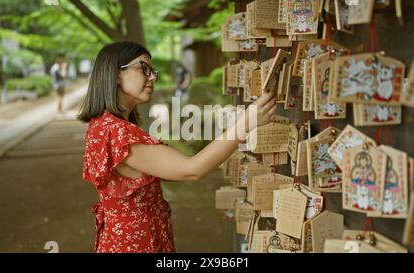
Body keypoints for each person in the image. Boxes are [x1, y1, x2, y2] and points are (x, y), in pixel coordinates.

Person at [77, 41, 277, 253]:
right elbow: (191, 170)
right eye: (143, 68)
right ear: (116, 74)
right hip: (135, 245)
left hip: (127, 239)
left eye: (152, 70)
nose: (153, 77)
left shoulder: (103, 124)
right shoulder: (117, 132)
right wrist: (246, 123)